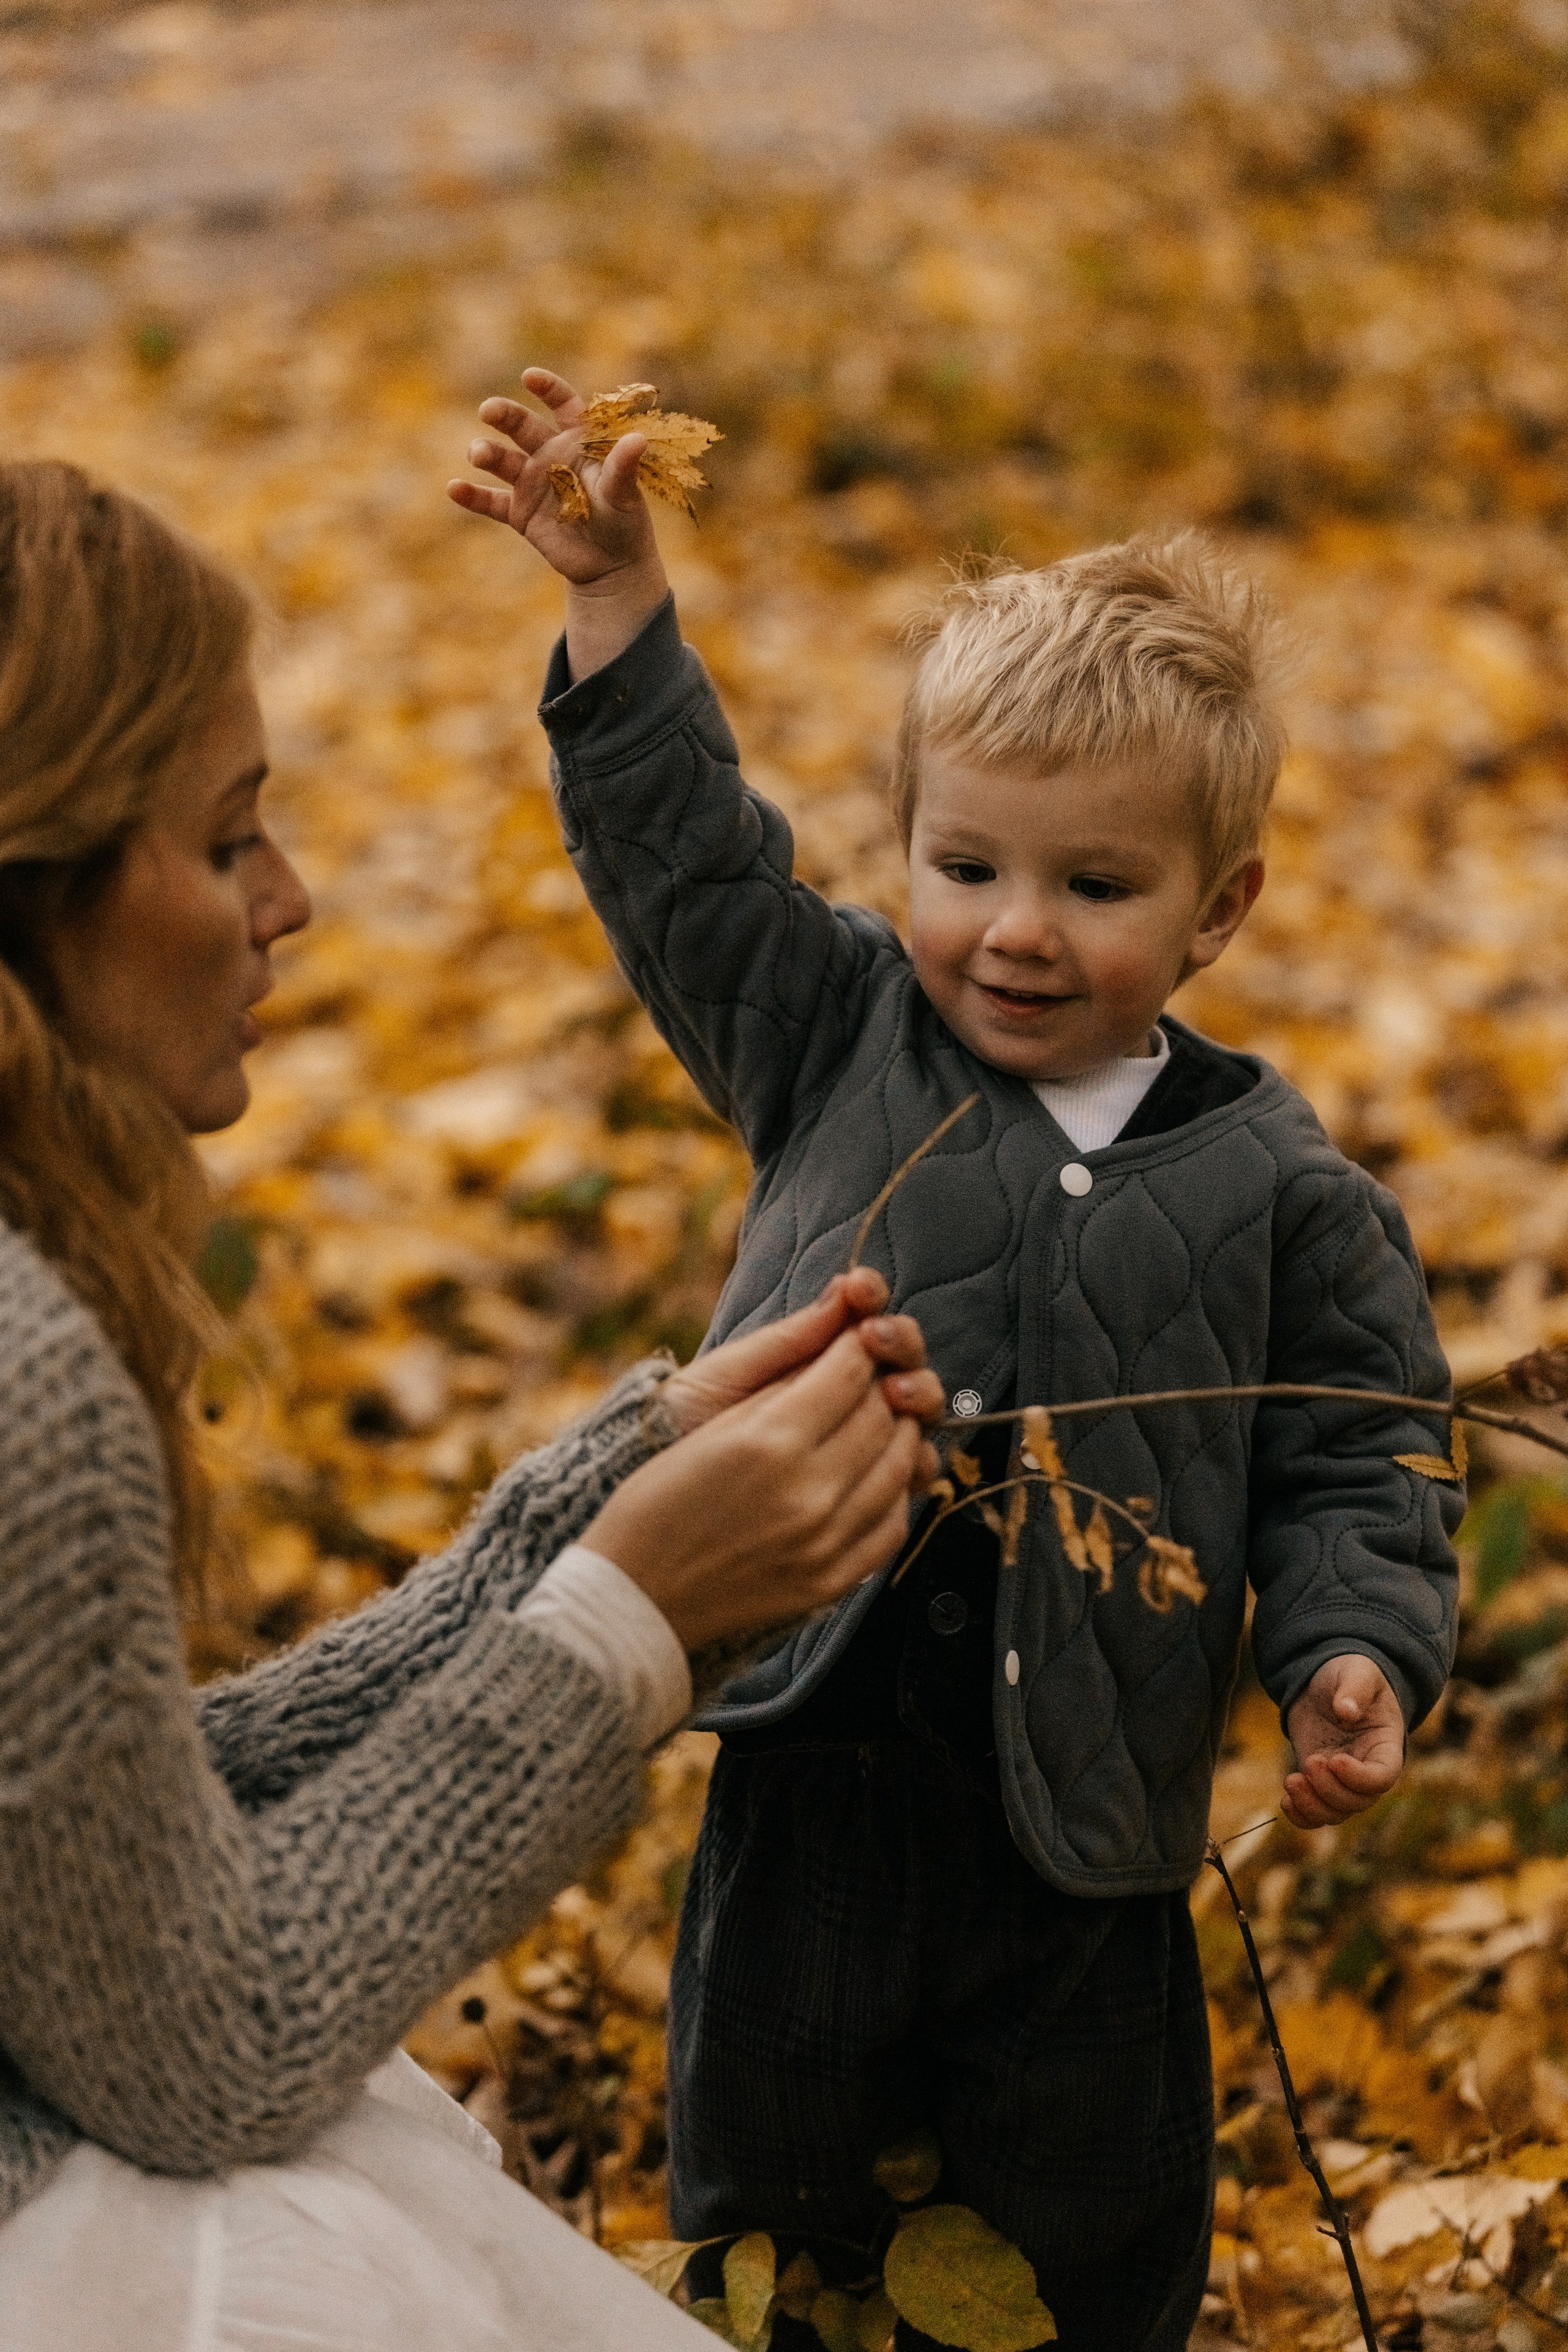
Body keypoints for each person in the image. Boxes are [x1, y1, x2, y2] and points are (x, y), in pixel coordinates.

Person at [451, 369, 1464, 2350]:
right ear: (906, 844)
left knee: (1094, 2229)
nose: (1013, 933)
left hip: (1087, 1839)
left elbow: (1357, 1454)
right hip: (809, 1773)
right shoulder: (835, 1039)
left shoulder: (1280, 1189)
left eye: (1096, 889)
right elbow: (687, 865)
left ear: (1218, 910)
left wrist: (1353, 1648)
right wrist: (613, 608)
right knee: (777, 2197)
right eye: (968, 866)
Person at [0, 460, 947, 2352]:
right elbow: (197, 2042)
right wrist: (626, 1625)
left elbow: (97, 1847)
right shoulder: (23, 1378)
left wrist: (582, 1508)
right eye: (228, 838)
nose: (296, 900)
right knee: (292, 2245)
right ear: (42, 880)